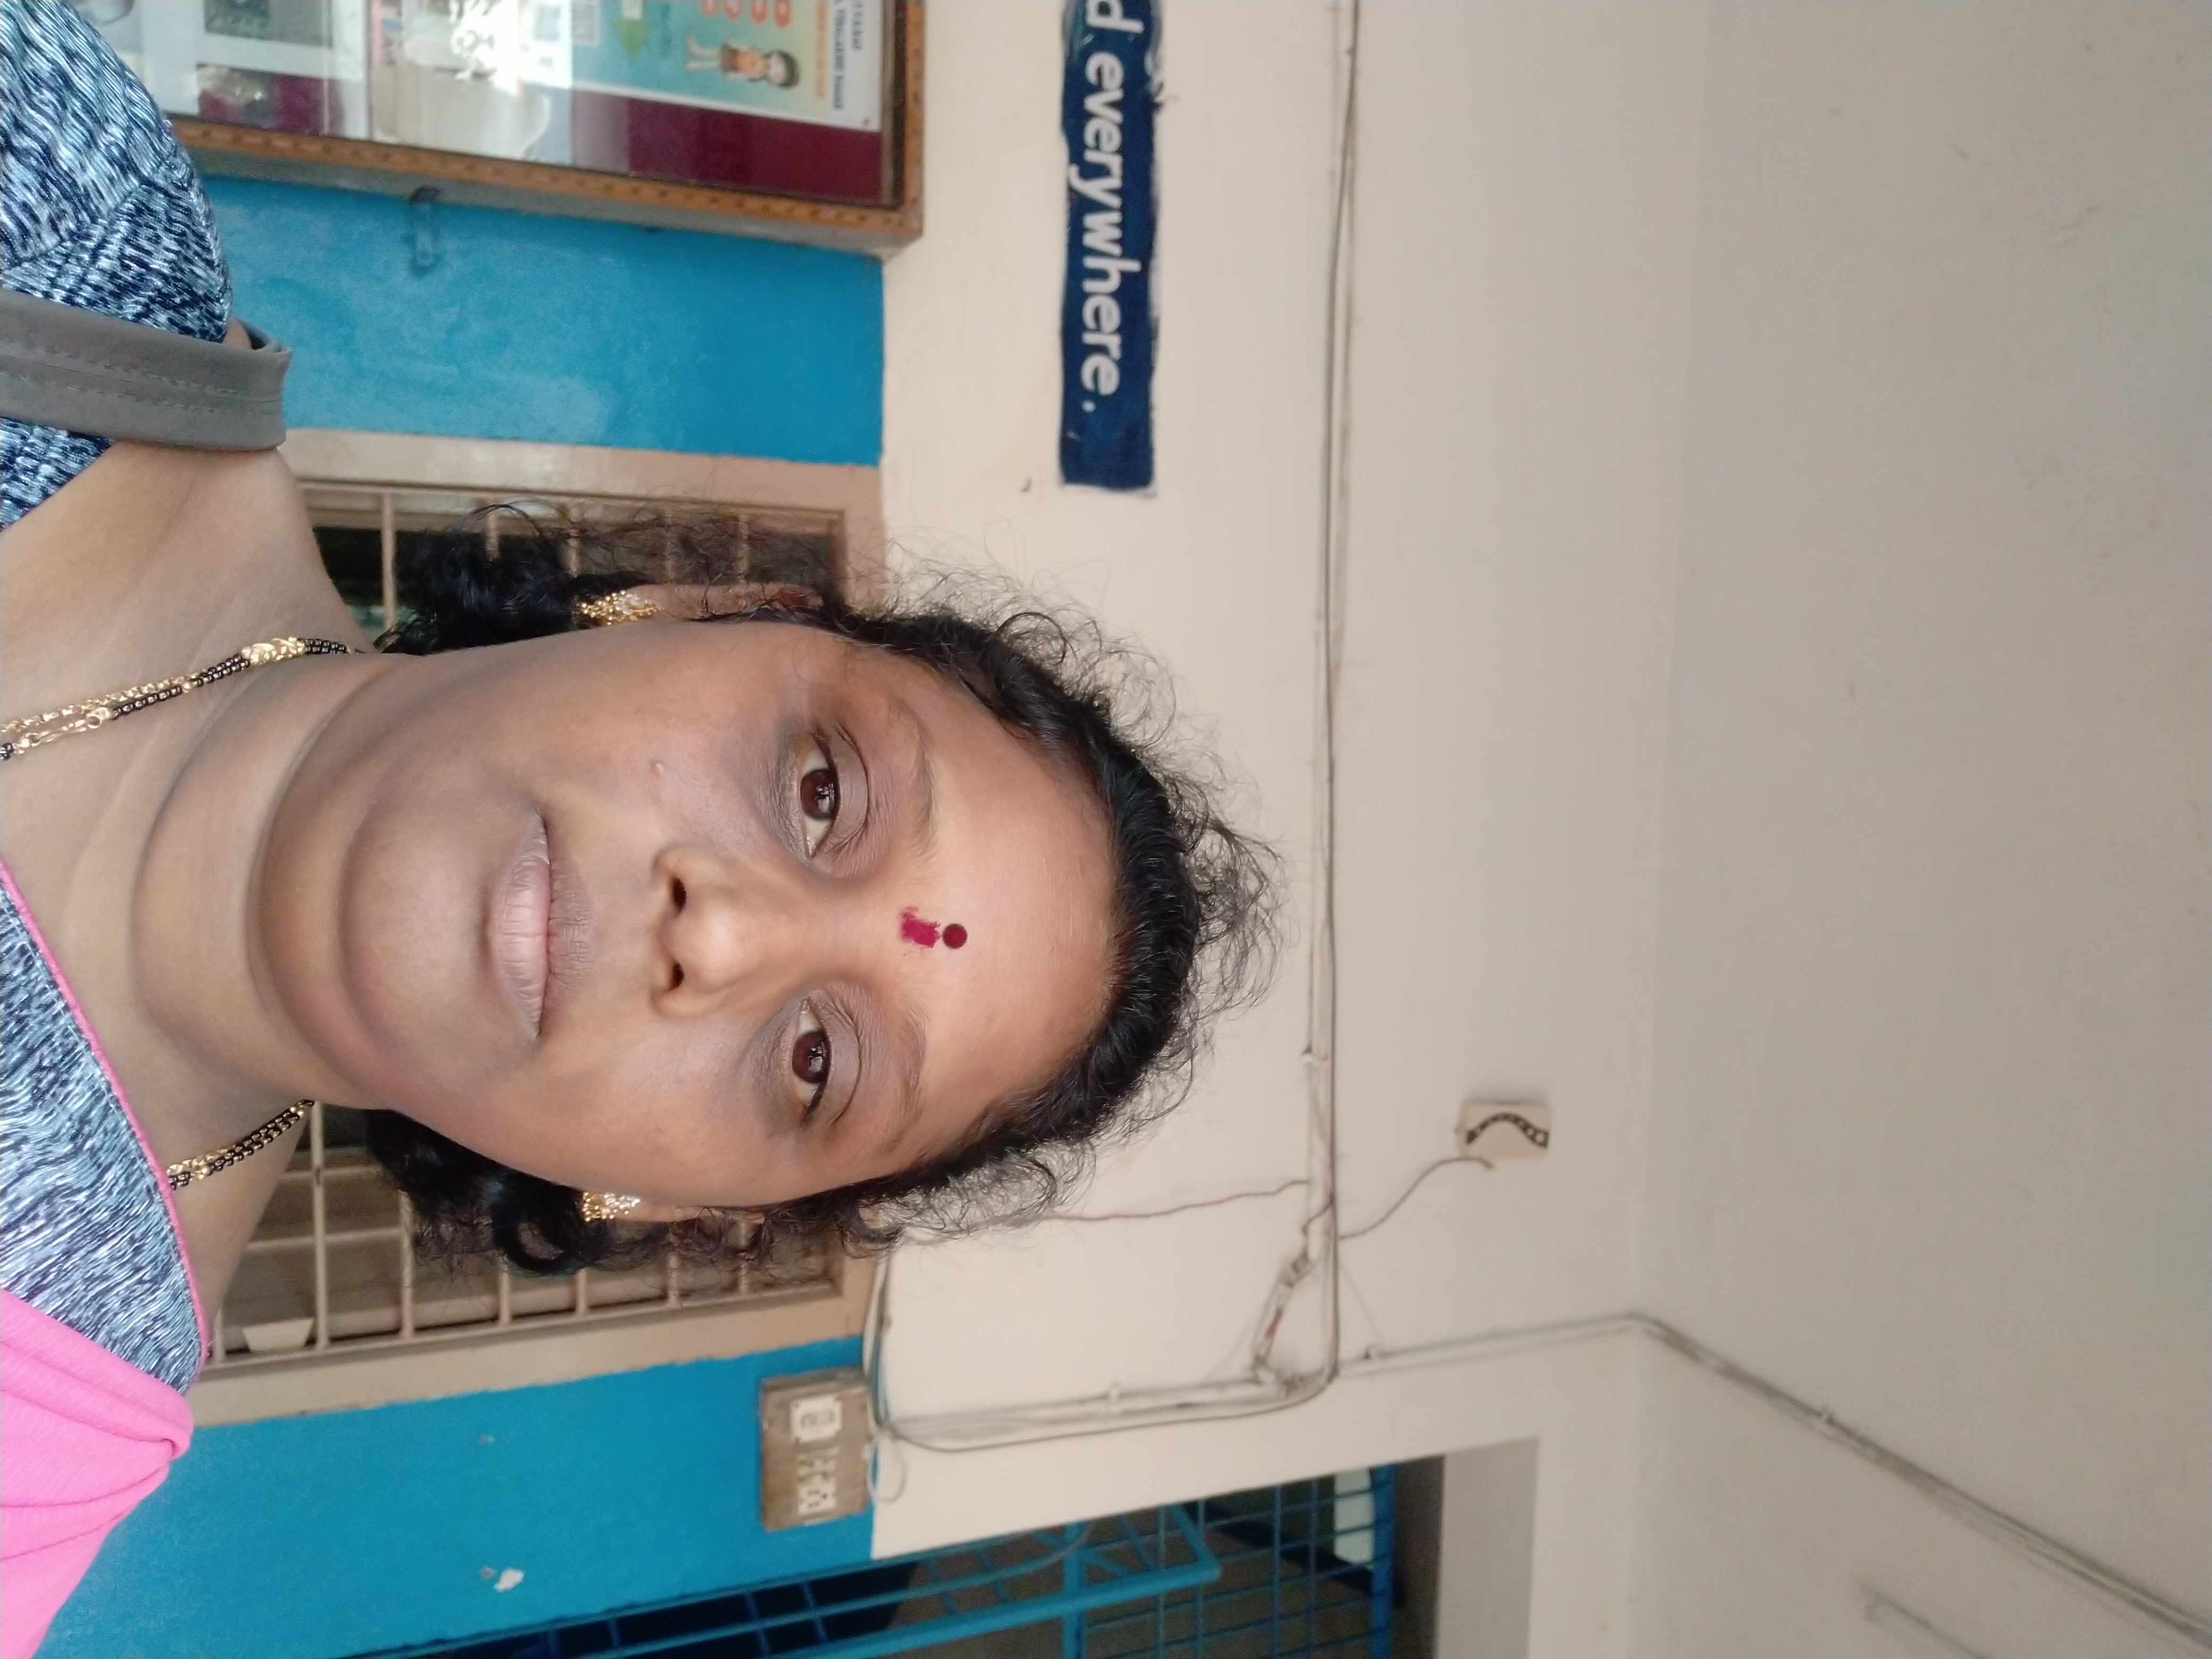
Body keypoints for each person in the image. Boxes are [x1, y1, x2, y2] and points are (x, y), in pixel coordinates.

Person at [0, 3, 1273, 1650]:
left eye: (815, 1061)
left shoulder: (40, 1426)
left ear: (668, 1205)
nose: (719, 934)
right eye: (824, 791)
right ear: (701, 605)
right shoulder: (65, 226)